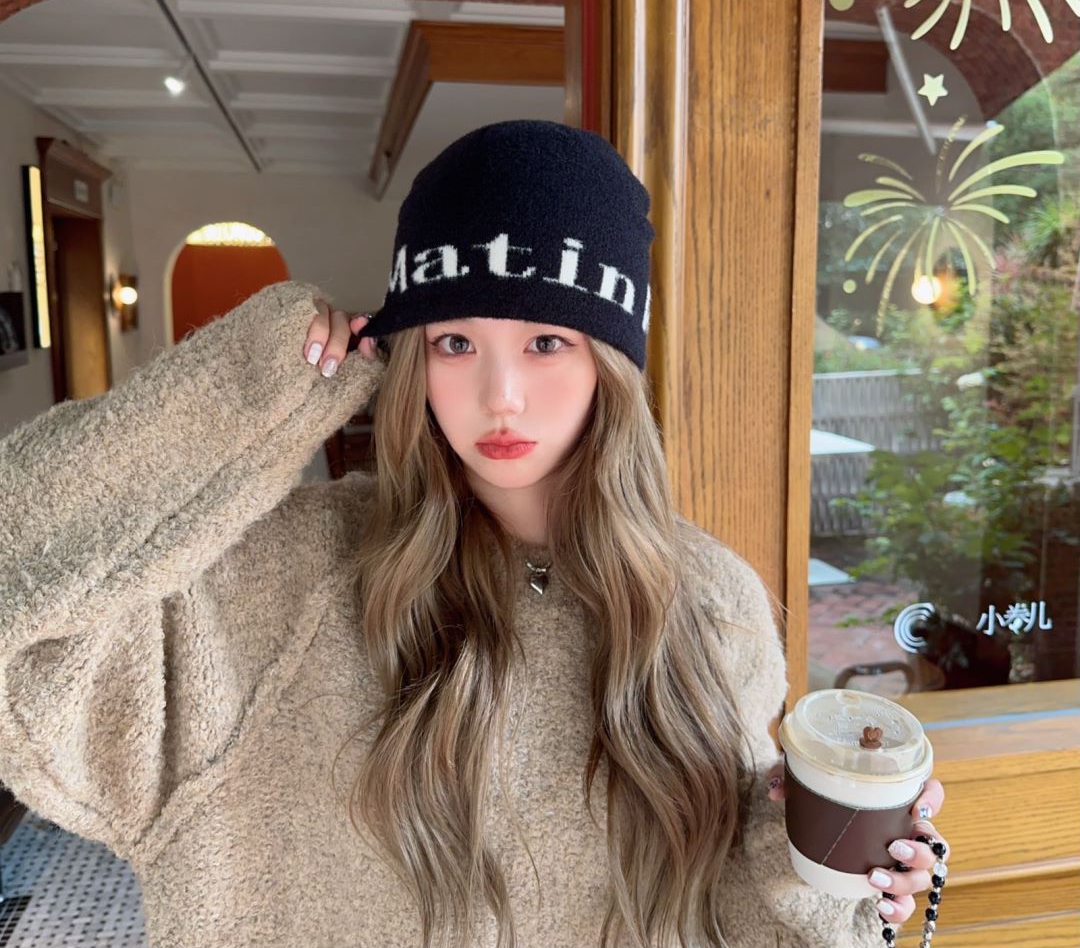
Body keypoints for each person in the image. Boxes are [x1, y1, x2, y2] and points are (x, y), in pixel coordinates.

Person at [0, 120, 948, 948]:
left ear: (612, 363)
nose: (501, 396)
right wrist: (248, 392)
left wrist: (808, 865)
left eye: (547, 341)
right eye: (455, 341)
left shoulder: (714, 603)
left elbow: (718, 919)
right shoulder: (274, 582)